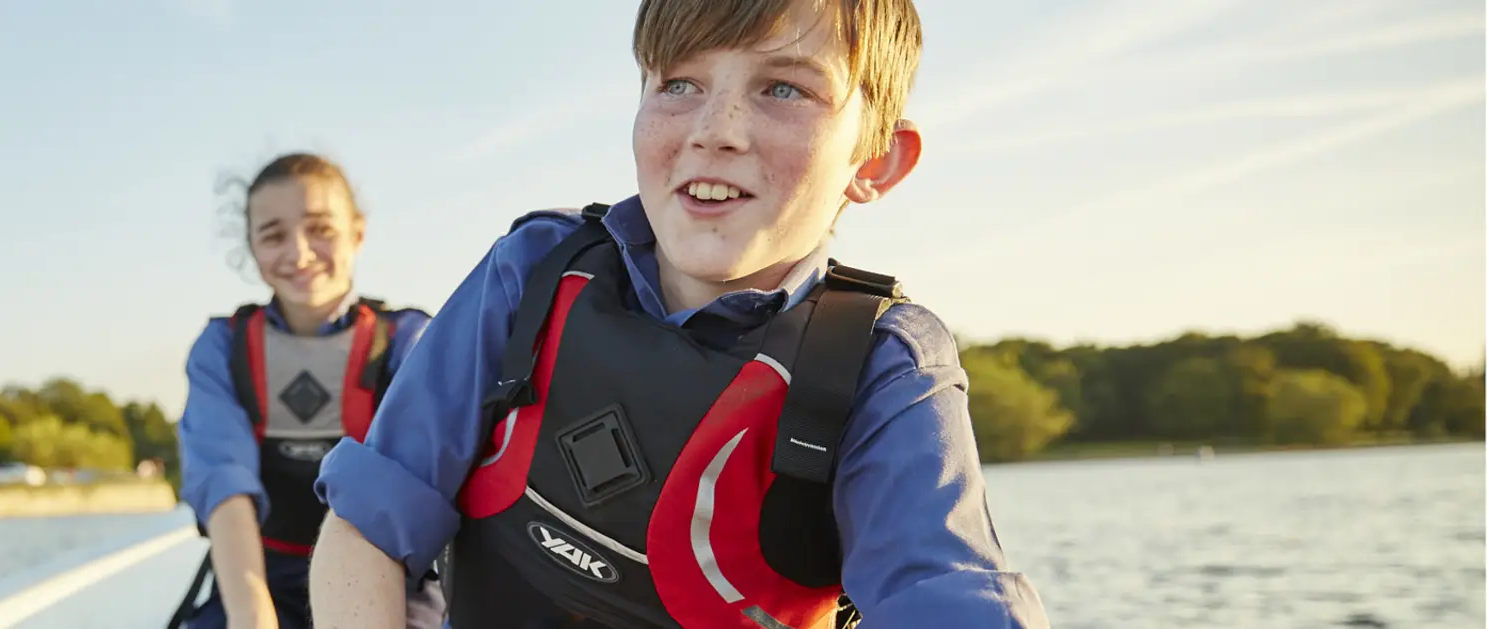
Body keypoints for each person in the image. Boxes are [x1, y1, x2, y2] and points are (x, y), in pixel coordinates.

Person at [306, 1, 1051, 627]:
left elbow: (945, 596)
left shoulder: (884, 365)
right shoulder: (534, 268)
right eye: (680, 84)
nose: (716, 129)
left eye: (784, 90)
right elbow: (368, 525)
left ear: (875, 160)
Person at [170, 153, 447, 629]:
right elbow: (224, 484)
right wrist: (251, 617)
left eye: (320, 228)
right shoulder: (221, 346)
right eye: (274, 235)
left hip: (390, 575)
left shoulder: (409, 340)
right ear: (252, 249)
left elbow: (419, 480)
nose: (298, 253)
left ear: (357, 233)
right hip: (259, 575)